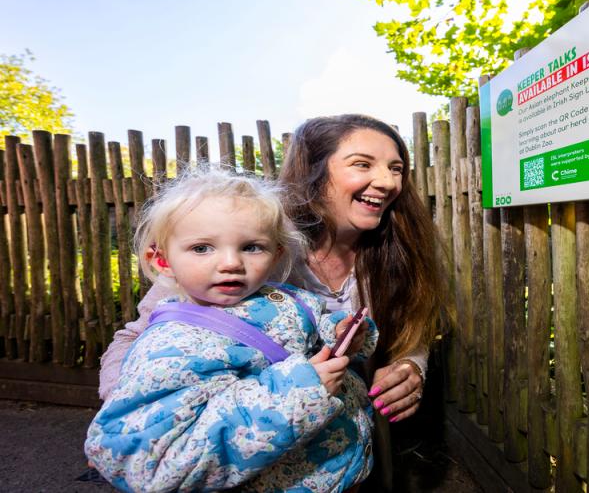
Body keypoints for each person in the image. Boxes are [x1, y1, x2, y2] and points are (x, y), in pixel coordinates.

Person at [98, 114, 449, 489]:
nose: (388, 181)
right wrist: (148, 422)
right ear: (314, 172)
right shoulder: (238, 245)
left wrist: (412, 365)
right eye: (363, 164)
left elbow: (414, 325)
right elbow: (138, 343)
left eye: (396, 168)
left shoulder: (396, 250)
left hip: (343, 457)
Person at [86, 169, 379, 492]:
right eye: (202, 248)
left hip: (340, 474)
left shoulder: (285, 299)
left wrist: (341, 335)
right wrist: (301, 391)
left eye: (252, 247)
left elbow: (311, 330)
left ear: (276, 253)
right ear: (162, 259)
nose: (231, 263)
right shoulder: (170, 348)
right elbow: (156, 468)